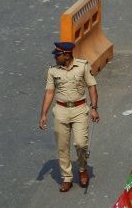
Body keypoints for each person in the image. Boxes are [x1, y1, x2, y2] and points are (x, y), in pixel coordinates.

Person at [39, 41, 99, 192]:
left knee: (80, 144)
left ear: (66, 55)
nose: (54, 57)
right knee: (62, 147)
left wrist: (94, 108)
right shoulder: (53, 71)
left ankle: (82, 169)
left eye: (57, 55)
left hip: (79, 109)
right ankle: (67, 178)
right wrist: (44, 114)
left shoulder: (83, 66)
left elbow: (92, 86)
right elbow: (49, 93)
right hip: (61, 110)